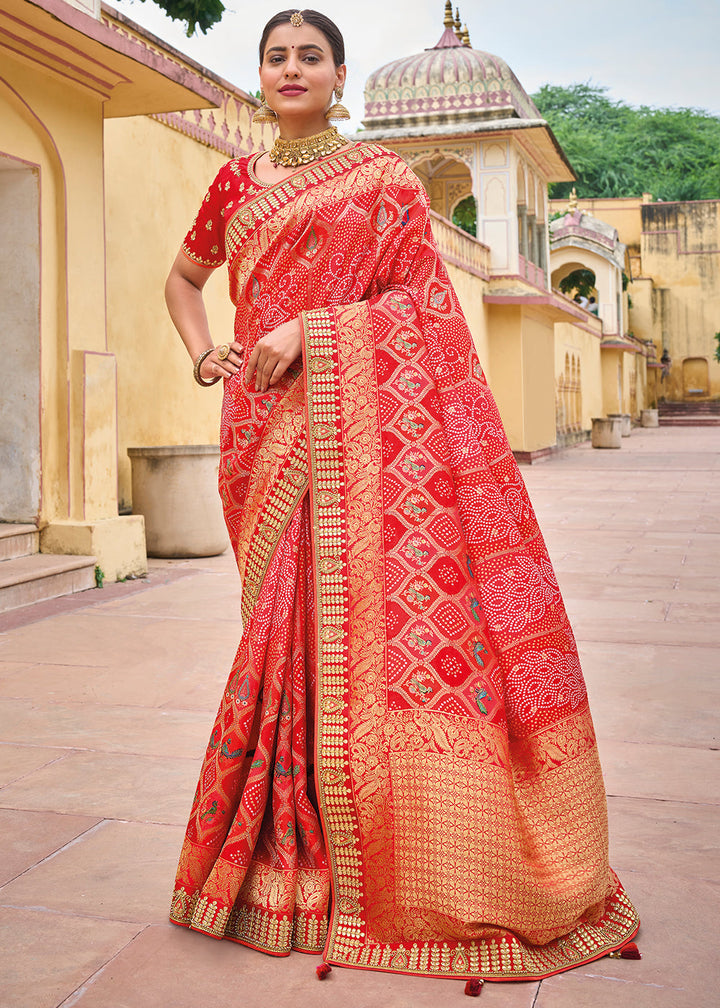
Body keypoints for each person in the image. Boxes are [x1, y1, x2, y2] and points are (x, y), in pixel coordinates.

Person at [165, 8, 640, 988]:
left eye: (311, 57)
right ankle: (275, 856)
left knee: (336, 633)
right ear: (259, 77)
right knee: (276, 632)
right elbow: (184, 279)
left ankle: (351, 855)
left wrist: (312, 331)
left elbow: (419, 305)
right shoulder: (232, 185)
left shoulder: (383, 183)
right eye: (275, 56)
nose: (292, 69)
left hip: (346, 427)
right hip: (259, 435)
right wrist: (202, 348)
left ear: (339, 79)